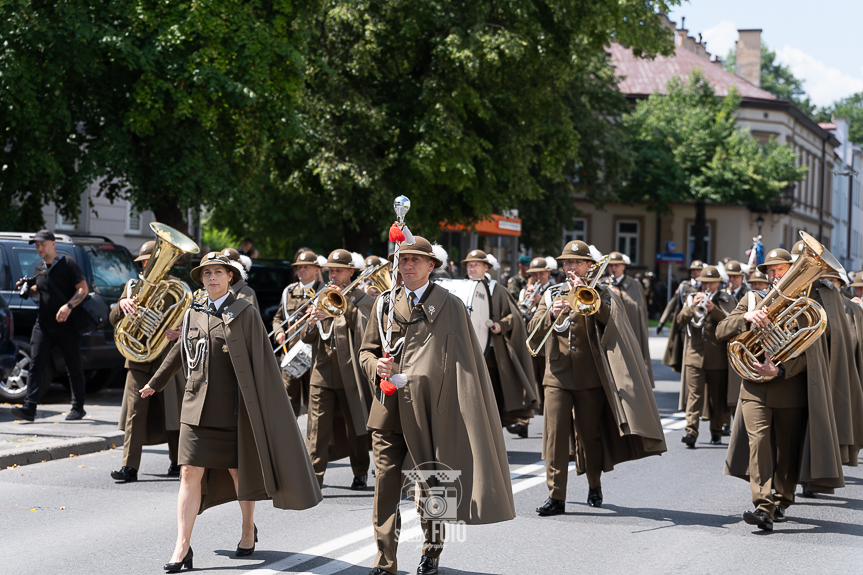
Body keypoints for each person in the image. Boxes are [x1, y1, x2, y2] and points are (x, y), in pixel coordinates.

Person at [140, 251, 321, 571]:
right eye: (206, 273)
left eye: (218, 272)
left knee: (241, 473)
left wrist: (269, 405)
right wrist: (156, 382)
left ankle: (248, 528)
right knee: (188, 473)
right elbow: (181, 350)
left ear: (230, 277)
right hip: (195, 407)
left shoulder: (245, 312)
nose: (211, 277)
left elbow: (262, 362)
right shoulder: (194, 310)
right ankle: (182, 547)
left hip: (234, 410)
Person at [359, 236, 515, 575]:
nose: (408, 265)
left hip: (431, 412)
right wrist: (376, 367)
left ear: (432, 265)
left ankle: (432, 549)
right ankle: (385, 562)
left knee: (432, 484)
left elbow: (465, 363)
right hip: (388, 409)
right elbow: (366, 352)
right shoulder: (384, 304)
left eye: (416, 260)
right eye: (403, 260)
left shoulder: (451, 304)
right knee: (385, 487)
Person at [531, 240, 666, 516]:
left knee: (589, 435)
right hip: (556, 374)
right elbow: (533, 328)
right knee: (554, 437)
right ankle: (556, 496)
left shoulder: (601, 292)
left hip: (588, 375)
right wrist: (550, 315)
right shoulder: (552, 293)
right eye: (567, 262)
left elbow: (610, 321)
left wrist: (584, 292)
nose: (570, 267)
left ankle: (594, 483)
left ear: (589, 266)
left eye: (576, 262)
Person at [717, 247, 844, 532]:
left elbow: (812, 352)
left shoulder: (806, 305)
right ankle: (762, 505)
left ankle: (781, 500)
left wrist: (782, 370)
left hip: (789, 390)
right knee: (758, 443)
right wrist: (746, 319)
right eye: (770, 271)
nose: (774, 275)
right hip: (753, 390)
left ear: (792, 270)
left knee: (786, 451)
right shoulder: (751, 299)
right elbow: (722, 330)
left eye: (780, 269)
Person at [110, 241, 185, 482]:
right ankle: (129, 468)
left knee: (171, 411)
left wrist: (180, 331)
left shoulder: (177, 289)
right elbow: (112, 319)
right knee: (135, 412)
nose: (145, 265)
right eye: (143, 262)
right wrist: (121, 305)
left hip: (166, 357)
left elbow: (192, 322)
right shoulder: (132, 287)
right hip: (138, 358)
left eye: (149, 260)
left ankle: (177, 461)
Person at [303, 249, 375, 490]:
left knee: (355, 424)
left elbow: (367, 331)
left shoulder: (363, 299)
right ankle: (315, 476)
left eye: (339, 271)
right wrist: (312, 321)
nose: (334, 275)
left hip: (350, 372)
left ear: (350, 273)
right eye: (331, 271)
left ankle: (360, 471)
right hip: (322, 373)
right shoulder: (321, 296)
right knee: (317, 427)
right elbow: (306, 337)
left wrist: (347, 307)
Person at [12, 230, 90, 422]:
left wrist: (69, 306)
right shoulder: (38, 267)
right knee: (36, 363)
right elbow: (40, 290)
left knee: (73, 365)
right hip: (44, 324)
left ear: (53, 244)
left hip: (67, 325)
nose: (40, 248)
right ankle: (29, 408)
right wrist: (26, 289)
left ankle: (78, 407)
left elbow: (83, 288)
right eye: (37, 245)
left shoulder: (67, 263)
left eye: (43, 244)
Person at [462, 249, 538, 438]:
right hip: (465, 354)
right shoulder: (460, 289)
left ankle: (491, 440)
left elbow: (515, 316)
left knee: (493, 399)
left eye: (476, 265)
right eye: (469, 265)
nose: (472, 268)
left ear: (486, 267)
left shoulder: (497, 290)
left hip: (491, 356)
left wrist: (501, 325)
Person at [676, 266, 737, 448]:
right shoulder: (691, 298)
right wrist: (692, 307)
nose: (707, 286)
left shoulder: (727, 299)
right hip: (694, 355)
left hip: (717, 357)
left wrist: (714, 309)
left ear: (719, 283)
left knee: (716, 398)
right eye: (705, 283)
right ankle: (691, 432)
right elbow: (680, 321)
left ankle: (716, 432)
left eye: (711, 283)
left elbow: (732, 323)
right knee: (694, 396)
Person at [809, 271, 863, 468]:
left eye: (832, 281)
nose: (827, 286)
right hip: (812, 371)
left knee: (838, 422)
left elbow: (857, 346)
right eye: (823, 281)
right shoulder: (812, 305)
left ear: (840, 284)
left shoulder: (851, 308)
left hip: (840, 373)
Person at [272, 250, 325, 417]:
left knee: (315, 402)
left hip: (316, 355)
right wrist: (279, 333)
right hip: (292, 353)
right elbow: (278, 318)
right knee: (288, 400)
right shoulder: (288, 291)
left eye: (306, 267)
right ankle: (289, 441)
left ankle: (313, 442)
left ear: (317, 270)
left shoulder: (325, 292)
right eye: (299, 267)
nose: (301, 270)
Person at [607, 251, 654, 386]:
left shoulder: (634, 284)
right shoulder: (603, 282)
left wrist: (620, 296)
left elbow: (637, 307)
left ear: (623, 266)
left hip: (630, 330)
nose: (613, 268)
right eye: (610, 265)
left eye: (616, 265)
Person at [658, 260, 704, 374]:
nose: (696, 272)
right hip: (685, 324)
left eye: (699, 270)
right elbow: (672, 303)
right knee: (685, 353)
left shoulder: (705, 286)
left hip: (700, 324)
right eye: (694, 270)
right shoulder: (684, 286)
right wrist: (662, 322)